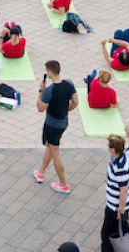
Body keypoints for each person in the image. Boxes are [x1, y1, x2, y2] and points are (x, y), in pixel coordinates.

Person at [34, 60, 77, 194]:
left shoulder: (49, 90)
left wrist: (41, 90)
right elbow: (76, 102)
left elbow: (40, 108)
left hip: (52, 125)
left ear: (50, 72)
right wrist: (66, 110)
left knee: (55, 153)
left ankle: (63, 184)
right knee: (51, 146)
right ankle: (41, 171)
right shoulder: (69, 84)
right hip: (63, 122)